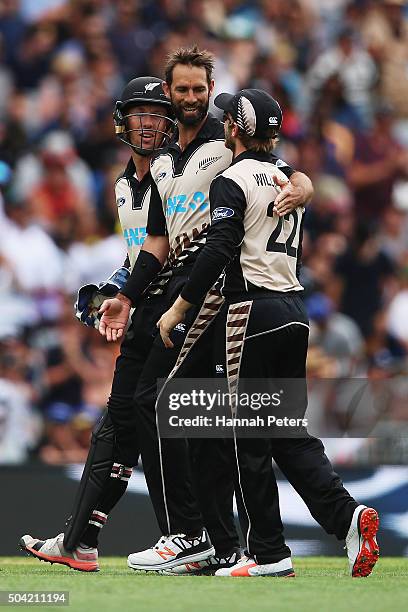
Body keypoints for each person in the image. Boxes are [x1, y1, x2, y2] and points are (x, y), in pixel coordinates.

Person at [98, 46, 314, 574]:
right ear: (167, 93)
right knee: (203, 423)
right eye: (182, 89)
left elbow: (287, 173)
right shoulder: (163, 161)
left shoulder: (228, 146)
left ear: (210, 93)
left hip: (219, 300)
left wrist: (304, 186)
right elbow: (154, 243)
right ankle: (221, 542)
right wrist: (125, 293)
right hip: (176, 297)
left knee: (162, 403)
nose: (191, 98)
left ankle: (189, 535)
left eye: (200, 89)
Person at [158, 88, 380, 578]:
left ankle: (269, 552)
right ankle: (348, 517)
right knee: (287, 433)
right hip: (294, 312)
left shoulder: (231, 179)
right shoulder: (286, 177)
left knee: (244, 438)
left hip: (251, 313)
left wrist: (177, 309)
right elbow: (290, 186)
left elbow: (218, 249)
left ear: (235, 130)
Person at [19, 76, 176, 571]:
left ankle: (197, 538)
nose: (147, 123)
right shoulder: (124, 185)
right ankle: (80, 540)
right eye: (139, 113)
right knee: (120, 426)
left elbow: (174, 251)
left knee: (146, 425)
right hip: (146, 315)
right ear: (121, 121)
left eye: (156, 113)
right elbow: (140, 256)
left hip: (181, 314)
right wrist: (113, 291)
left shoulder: (178, 174)